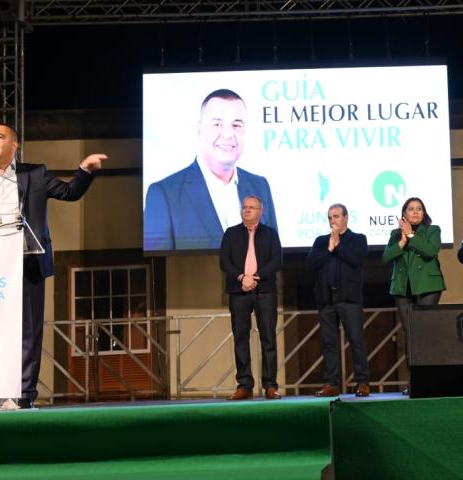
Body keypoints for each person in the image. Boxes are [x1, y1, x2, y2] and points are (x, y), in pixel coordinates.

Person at [0, 123, 105, 408]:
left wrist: (85, 170)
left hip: (29, 263)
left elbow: (69, 192)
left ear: (15, 145)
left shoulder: (35, 174)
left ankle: (24, 395)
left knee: (29, 331)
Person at [144, 88, 277, 251]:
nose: (228, 134)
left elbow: (273, 256)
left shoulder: (259, 186)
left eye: (236, 125)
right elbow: (158, 263)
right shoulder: (164, 194)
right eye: (217, 124)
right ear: (199, 130)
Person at [219, 195, 283, 400]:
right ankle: (244, 385)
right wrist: (241, 278)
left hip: (264, 290)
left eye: (251, 207)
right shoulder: (231, 233)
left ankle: (270, 385)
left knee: (268, 338)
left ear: (260, 211)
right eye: (244, 207)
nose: (247, 210)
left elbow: (277, 261)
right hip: (238, 291)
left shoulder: (270, 234)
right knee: (240, 338)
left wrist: (255, 277)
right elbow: (224, 261)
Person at [306, 204, 370, 398]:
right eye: (329, 217)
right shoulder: (321, 241)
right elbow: (311, 263)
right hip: (326, 299)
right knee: (328, 343)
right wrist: (329, 248)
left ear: (346, 218)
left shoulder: (357, 239)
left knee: (356, 341)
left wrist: (339, 245)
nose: (332, 220)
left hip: (349, 299)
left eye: (336, 216)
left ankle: (363, 382)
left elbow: (356, 260)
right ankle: (331, 383)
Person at [382, 197, 446, 382]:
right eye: (411, 209)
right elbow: (386, 257)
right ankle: (415, 380)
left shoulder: (433, 230)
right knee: (409, 334)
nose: (416, 211)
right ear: (404, 214)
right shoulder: (395, 234)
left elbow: (431, 251)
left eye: (419, 208)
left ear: (424, 213)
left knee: (425, 331)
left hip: (428, 287)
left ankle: (430, 379)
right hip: (403, 288)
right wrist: (402, 242)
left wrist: (411, 236)